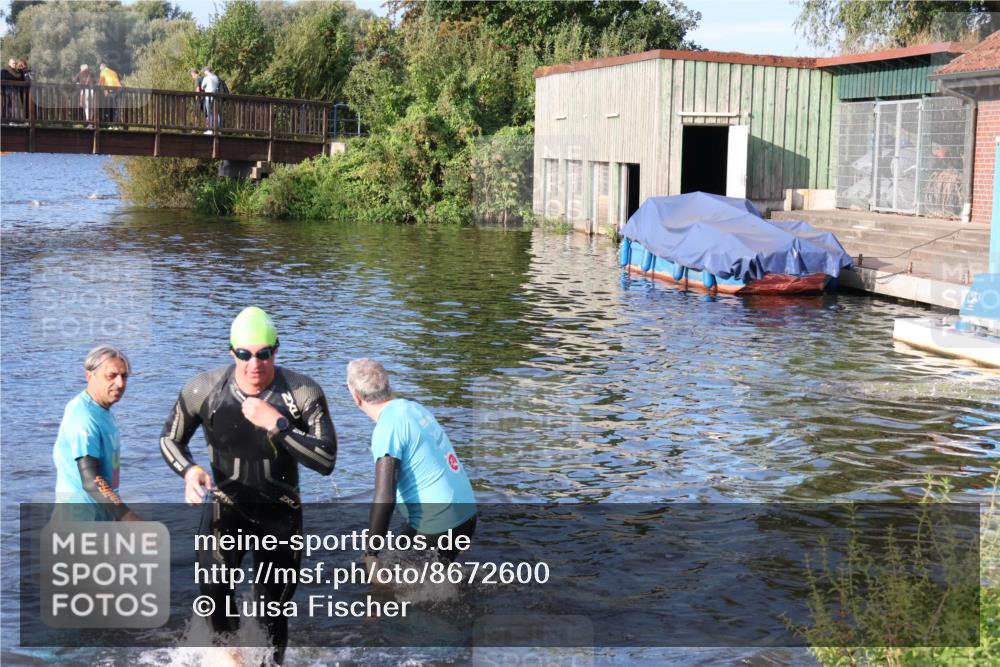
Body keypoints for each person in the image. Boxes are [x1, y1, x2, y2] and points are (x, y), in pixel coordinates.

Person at [160, 306, 337, 664]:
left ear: (276, 349)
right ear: (232, 352)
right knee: (214, 593)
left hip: (281, 518)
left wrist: (279, 425)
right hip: (225, 510)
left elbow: (326, 461)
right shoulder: (202, 389)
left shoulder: (302, 393)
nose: (253, 363)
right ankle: (232, 659)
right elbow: (169, 439)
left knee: (272, 611)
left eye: (263, 354)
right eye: (244, 354)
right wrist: (189, 471)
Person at [346, 358, 476, 570]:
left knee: (380, 578)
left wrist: (371, 554)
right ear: (388, 385)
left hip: (440, 524)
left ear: (355, 397)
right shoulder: (414, 409)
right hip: (466, 516)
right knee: (423, 578)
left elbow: (384, 498)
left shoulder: (387, 429)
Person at [52, 345, 138, 521]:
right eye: (111, 376)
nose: (120, 383)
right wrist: (127, 517)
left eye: (124, 376)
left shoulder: (101, 410)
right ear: (89, 376)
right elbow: (91, 481)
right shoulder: (83, 417)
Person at [201, 65, 220, 133]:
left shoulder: (206, 78)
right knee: (215, 113)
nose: (204, 72)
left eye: (204, 71)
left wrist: (206, 87)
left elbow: (202, 87)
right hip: (215, 97)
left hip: (208, 98)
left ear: (207, 71)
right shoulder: (216, 77)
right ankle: (217, 128)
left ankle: (210, 129)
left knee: (209, 113)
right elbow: (217, 86)